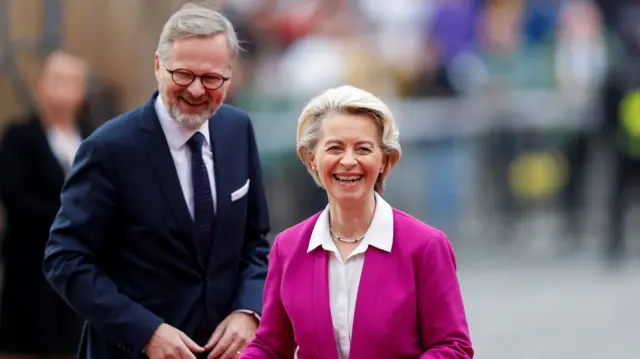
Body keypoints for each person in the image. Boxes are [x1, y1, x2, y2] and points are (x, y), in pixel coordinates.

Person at [43, 4, 271, 359]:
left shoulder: (237, 130)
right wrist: (145, 332)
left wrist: (248, 311)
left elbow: (254, 244)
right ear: (157, 66)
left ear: (230, 75)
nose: (196, 90)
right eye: (182, 74)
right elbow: (65, 259)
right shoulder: (108, 149)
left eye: (211, 78)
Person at [240, 85, 474, 359]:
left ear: (386, 161)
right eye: (334, 148)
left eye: (363, 149)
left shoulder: (425, 246)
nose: (348, 161)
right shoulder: (287, 248)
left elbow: (452, 348)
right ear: (311, 158)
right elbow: (270, 347)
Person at [0, 51, 90, 359]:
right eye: (56, 79)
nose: (63, 88)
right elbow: (14, 195)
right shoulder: (21, 137)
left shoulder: (93, 140)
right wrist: (71, 219)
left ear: (82, 91)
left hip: (82, 275)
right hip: (32, 270)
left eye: (72, 81)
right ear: (40, 85)